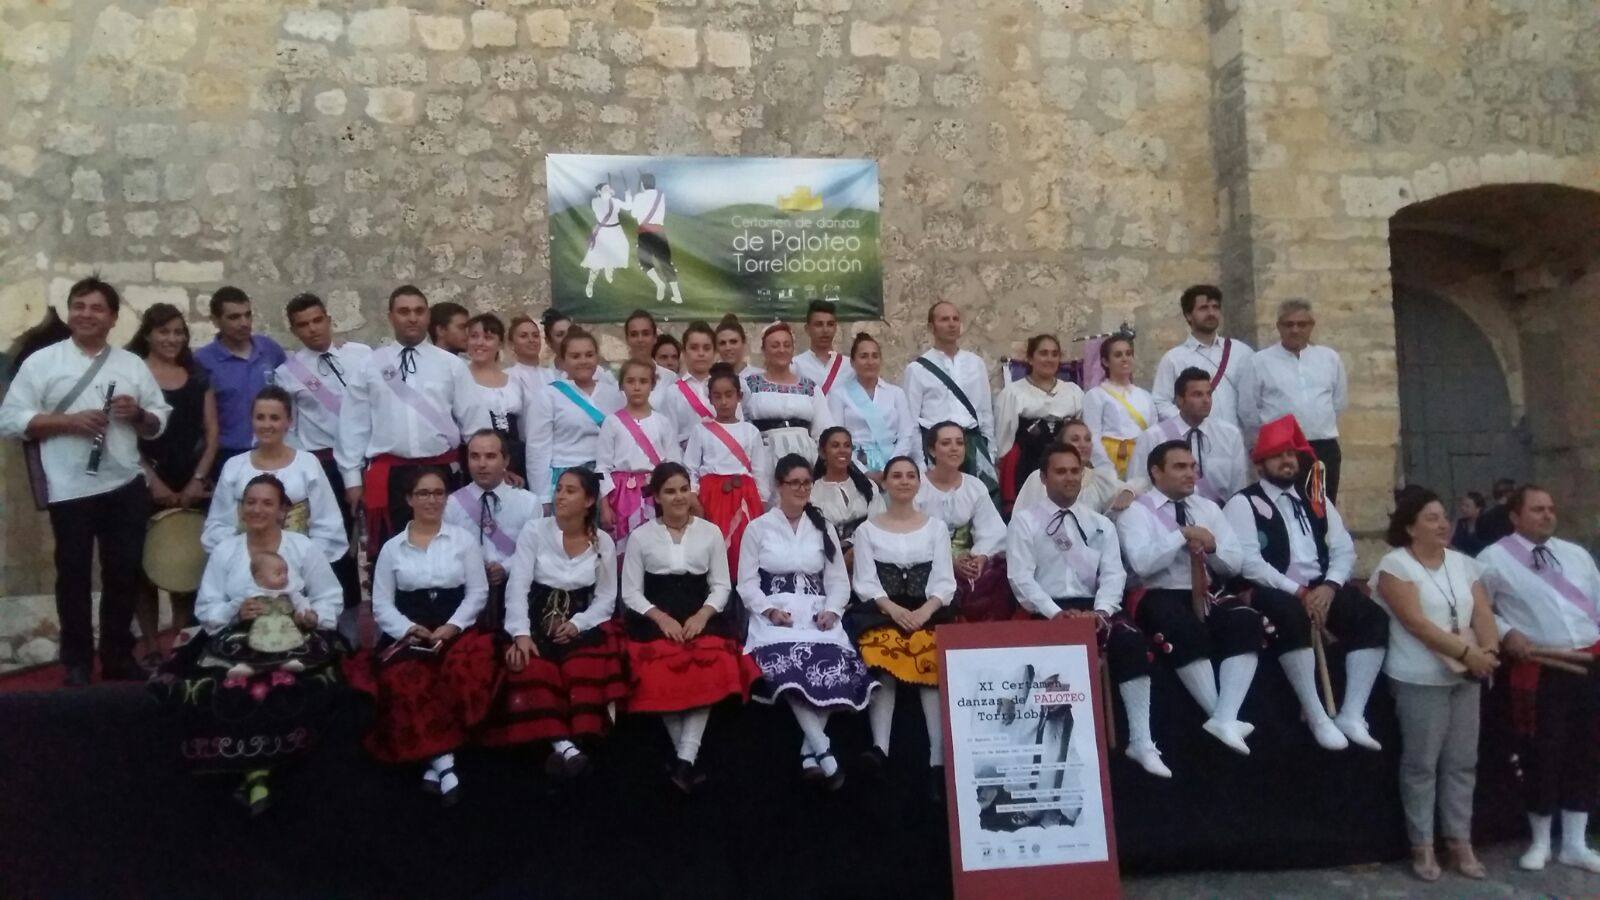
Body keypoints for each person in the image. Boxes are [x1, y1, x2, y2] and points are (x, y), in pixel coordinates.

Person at [0, 277, 170, 685]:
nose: (86, 314)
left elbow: (158, 419)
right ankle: (76, 661)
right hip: (70, 486)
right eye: (79, 306)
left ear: (113, 318)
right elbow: (10, 419)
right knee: (73, 574)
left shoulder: (131, 365)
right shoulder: (42, 362)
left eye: (96, 308)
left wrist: (138, 415)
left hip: (124, 483)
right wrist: (68, 422)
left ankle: (117, 655)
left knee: (123, 572)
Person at [148, 474, 343, 815]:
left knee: (297, 683)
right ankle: (254, 772)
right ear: (240, 509)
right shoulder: (226, 551)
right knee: (217, 685)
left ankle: (269, 770)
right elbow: (207, 606)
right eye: (250, 502)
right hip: (237, 637)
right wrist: (234, 612)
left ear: (282, 511)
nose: (257, 509)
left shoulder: (302, 547)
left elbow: (329, 595)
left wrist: (311, 617)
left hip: (294, 636)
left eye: (267, 503)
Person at [1222, 415, 1389, 751]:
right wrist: (1298, 591)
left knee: (1372, 618)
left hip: (1320, 587)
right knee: (1291, 616)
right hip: (1274, 588)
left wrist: (1329, 587)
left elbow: (1343, 550)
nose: (1287, 461)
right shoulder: (1243, 503)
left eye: (1290, 454)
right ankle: (1316, 714)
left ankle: (1352, 712)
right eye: (1277, 455)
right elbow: (1250, 563)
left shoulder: (1315, 499)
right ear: (1260, 464)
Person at [1007, 444, 1169, 778]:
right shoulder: (1024, 522)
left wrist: (1102, 612)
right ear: (1043, 477)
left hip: (1094, 609)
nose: (1069, 477)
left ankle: (1141, 740)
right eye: (1060, 471)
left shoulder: (1100, 524)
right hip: (1046, 610)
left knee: (1130, 641)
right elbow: (1021, 578)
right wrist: (1055, 613)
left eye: (1074, 471)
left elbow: (1113, 575)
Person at [348, 469, 498, 805]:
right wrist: (407, 629)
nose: (432, 500)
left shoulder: (463, 541)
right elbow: (381, 604)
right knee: (405, 676)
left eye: (438, 493)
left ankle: (435, 762)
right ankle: (445, 763)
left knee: (459, 672)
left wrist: (453, 626)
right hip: (410, 632)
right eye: (423, 493)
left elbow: (477, 593)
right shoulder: (391, 548)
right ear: (409, 499)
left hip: (456, 629)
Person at [1371, 488, 1498, 882]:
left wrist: (1489, 651)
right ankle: (1422, 843)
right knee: (1422, 764)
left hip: (1467, 674)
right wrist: (1468, 654)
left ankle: (1460, 840)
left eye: (1443, 517)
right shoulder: (1396, 566)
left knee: (1462, 762)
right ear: (1410, 528)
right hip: (1420, 677)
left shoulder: (1462, 563)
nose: (1443, 524)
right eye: (1431, 518)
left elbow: (1483, 613)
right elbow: (1416, 623)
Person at [1477, 486, 1600, 873]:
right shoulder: (1493, 559)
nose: (1547, 515)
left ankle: (1575, 843)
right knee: (1541, 753)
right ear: (1515, 516)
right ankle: (1541, 841)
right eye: (1537, 509)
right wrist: (1506, 632)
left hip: (1587, 662)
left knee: (1584, 751)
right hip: (1540, 668)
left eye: (1550, 508)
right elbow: (1476, 608)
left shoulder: (1576, 554)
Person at [739, 454, 876, 789]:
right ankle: (823, 749)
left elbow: (837, 579)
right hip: (775, 612)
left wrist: (833, 610)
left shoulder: (821, 526)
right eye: (794, 483)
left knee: (832, 663)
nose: (801, 489)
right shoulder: (758, 528)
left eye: (806, 483)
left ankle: (809, 751)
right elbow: (746, 583)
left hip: (816, 610)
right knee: (787, 666)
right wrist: (768, 611)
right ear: (779, 486)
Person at [622, 463, 760, 793]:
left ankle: (683, 760)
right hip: (655, 618)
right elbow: (631, 592)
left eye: (684, 489)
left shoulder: (710, 532)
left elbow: (721, 585)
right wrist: (661, 618)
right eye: (670, 491)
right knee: (658, 672)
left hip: (701, 614)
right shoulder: (641, 536)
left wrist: (702, 616)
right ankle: (687, 760)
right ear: (657, 497)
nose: (679, 497)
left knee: (711, 667)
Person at [485, 468, 627, 777]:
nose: (560, 496)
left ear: (589, 501)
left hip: (580, 621)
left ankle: (571, 743)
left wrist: (579, 623)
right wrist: (520, 634)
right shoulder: (535, 530)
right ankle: (564, 747)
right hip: (534, 618)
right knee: (530, 666)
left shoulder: (602, 541)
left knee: (582, 668)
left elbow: (606, 598)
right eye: (559, 489)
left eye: (570, 491)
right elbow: (518, 587)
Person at [1116, 441, 1256, 754]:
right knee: (1183, 627)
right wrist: (1181, 535)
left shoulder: (1208, 508)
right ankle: (1221, 718)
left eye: (1193, 467)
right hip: (1157, 592)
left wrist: (1213, 548)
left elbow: (1234, 563)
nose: (1191, 474)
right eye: (1180, 467)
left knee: (1246, 621)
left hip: (1206, 590)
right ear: (1156, 472)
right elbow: (1142, 563)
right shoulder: (1136, 512)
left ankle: (1224, 717)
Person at [847, 456, 956, 798]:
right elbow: (865, 582)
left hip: (928, 609)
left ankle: (937, 760)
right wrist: (895, 611)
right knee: (884, 655)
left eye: (911, 475)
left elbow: (945, 580)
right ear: (886, 483)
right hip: (883, 610)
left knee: (931, 660)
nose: (905, 481)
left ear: (919, 482)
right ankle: (880, 747)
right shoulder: (867, 530)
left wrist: (924, 612)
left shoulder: (936, 528)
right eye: (897, 476)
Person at [337, 285, 472, 559]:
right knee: (393, 553)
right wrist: (352, 480)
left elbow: (473, 421)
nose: (412, 318)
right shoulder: (370, 365)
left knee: (446, 550)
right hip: (391, 477)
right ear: (391, 317)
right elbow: (353, 426)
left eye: (419, 311)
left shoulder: (452, 365)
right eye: (404, 311)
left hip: (443, 471)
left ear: (428, 316)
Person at [128, 303, 218, 661]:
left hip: (190, 481)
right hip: (144, 481)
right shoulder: (134, 374)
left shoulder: (197, 376)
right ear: (148, 334)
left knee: (186, 566)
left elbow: (212, 434)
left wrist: (198, 479)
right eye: (164, 331)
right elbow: (126, 438)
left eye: (179, 332)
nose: (172, 339)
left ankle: (178, 647)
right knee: (142, 570)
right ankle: (151, 646)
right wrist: (152, 481)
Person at [277, 293, 370, 621]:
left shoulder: (361, 355)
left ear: (329, 320)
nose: (313, 329)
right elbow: (290, 428)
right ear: (294, 330)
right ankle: (342, 619)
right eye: (303, 325)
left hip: (369, 458)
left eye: (318, 320)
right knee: (336, 541)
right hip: (325, 464)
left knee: (377, 540)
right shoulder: (288, 372)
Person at [203, 387, 347, 571]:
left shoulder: (307, 464)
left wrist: (302, 561)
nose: (266, 425)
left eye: (274, 418)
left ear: (289, 421)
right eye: (260, 417)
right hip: (245, 566)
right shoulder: (234, 466)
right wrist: (245, 558)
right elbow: (218, 524)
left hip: (299, 567)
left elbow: (327, 524)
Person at [1238, 299, 1348, 499]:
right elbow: (1248, 409)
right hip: (1281, 449)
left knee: (1322, 504)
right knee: (1284, 502)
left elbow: (1338, 402)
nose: (1295, 330)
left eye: (1301, 324)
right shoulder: (1260, 362)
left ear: (1311, 326)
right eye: (1289, 324)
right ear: (1279, 326)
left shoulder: (1329, 358)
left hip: (1323, 446)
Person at [443, 430, 541, 633]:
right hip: (464, 593)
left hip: (515, 591)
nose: (482, 464)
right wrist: (475, 570)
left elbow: (535, 552)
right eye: (474, 456)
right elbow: (446, 551)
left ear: (506, 460)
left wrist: (505, 568)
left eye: (490, 456)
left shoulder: (529, 502)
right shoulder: (452, 504)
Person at [903, 301, 997, 498]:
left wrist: (990, 453)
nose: (952, 324)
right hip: (935, 449)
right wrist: (920, 463)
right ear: (931, 327)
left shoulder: (976, 364)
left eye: (955, 319)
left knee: (977, 502)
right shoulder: (917, 369)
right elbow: (910, 420)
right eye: (944, 319)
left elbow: (985, 412)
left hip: (971, 446)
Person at [526, 328, 626, 513]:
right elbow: (537, 449)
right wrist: (543, 497)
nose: (583, 361)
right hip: (566, 480)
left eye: (589, 355)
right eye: (575, 356)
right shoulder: (548, 395)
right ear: (563, 360)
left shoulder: (613, 394)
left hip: (606, 481)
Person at [685, 364, 771, 578]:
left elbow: (760, 470)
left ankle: (742, 587)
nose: (724, 401)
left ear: (739, 396)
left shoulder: (750, 431)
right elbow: (691, 466)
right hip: (711, 496)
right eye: (717, 396)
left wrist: (761, 500)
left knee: (744, 546)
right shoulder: (701, 430)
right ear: (710, 399)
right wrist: (694, 495)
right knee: (714, 544)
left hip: (745, 496)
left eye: (729, 395)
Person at [193, 286, 286, 482]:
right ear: (215, 320)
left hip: (273, 450)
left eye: (247, 315)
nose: (244, 323)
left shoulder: (269, 349)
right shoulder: (202, 361)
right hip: (228, 455)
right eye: (234, 317)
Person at [917, 423, 1007, 621]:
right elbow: (911, 534)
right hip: (927, 563)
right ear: (932, 450)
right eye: (946, 443)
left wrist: (980, 558)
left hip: (967, 560)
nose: (954, 448)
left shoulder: (974, 486)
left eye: (959, 443)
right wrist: (949, 562)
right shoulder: (918, 487)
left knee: (998, 576)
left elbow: (992, 530)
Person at [1125, 368, 1250, 505]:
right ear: (1179, 400)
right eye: (1197, 395)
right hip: (1170, 514)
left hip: (1220, 514)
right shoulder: (1153, 437)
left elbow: (1238, 488)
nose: (1206, 400)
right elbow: (1138, 484)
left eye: (1209, 394)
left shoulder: (1230, 435)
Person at [596, 359, 680, 556]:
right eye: (630, 381)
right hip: (621, 495)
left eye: (643, 381)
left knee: (655, 545)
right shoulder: (612, 422)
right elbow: (602, 467)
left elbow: (674, 463)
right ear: (621, 385)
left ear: (652, 385)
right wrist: (605, 505)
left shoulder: (663, 422)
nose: (636, 387)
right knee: (624, 548)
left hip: (655, 493)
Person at [995, 334, 1084, 513]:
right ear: (1030, 358)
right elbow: (1003, 438)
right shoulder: (1013, 393)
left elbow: (1082, 433)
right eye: (1043, 353)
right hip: (1026, 465)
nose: (1049, 359)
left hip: (1066, 466)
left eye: (1054, 354)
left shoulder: (1073, 392)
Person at [1152, 285, 1255, 433]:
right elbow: (1160, 402)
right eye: (1204, 308)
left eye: (1215, 307)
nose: (1211, 313)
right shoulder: (1173, 358)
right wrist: (1188, 423)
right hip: (1192, 439)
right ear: (1188, 315)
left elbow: (1252, 401)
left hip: (1233, 439)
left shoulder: (1242, 352)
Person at [742, 321, 834, 465]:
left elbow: (823, 429)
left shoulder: (809, 387)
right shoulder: (749, 385)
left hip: (806, 458)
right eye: (775, 345)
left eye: (787, 345)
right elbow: (741, 425)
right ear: (764, 350)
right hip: (764, 458)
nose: (782, 350)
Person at [830, 331, 917, 480]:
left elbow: (906, 435)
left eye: (875, 356)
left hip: (893, 470)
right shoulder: (839, 395)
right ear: (852, 362)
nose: (870, 362)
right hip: (854, 468)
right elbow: (836, 437)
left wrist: (890, 469)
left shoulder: (896, 393)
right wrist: (863, 472)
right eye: (864, 356)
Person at [1012, 419, 1136, 516]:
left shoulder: (1098, 479)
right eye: (1075, 439)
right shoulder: (1039, 477)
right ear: (1062, 444)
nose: (1083, 444)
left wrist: (1128, 491)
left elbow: (1134, 485)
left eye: (1087, 439)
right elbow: (1021, 517)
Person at [458, 313, 526, 484]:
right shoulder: (460, 378)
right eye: (474, 336)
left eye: (488, 338)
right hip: (477, 460)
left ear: (500, 343)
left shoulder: (514, 381)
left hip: (515, 460)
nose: (480, 342)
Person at [1082, 332, 1155, 481]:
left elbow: (1154, 432)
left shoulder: (1145, 396)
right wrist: (1105, 468)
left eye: (1128, 353)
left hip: (1142, 460)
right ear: (1105, 361)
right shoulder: (1096, 395)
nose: (1124, 358)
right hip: (1110, 461)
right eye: (1118, 355)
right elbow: (1092, 435)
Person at [812, 426, 883, 561]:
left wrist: (854, 551)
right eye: (835, 446)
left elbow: (879, 523)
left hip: (867, 554)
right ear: (822, 452)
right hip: (828, 558)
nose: (842, 450)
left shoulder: (867, 486)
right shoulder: (812, 492)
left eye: (847, 446)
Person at [659, 321, 726, 450]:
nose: (701, 353)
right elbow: (669, 439)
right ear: (684, 352)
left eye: (706, 348)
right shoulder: (673, 393)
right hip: (685, 457)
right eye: (694, 348)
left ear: (715, 352)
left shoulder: (727, 389)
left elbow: (738, 429)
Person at [625, 171, 684, 304]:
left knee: (644, 262)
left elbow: (634, 214)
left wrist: (631, 198)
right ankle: (677, 295)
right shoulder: (660, 195)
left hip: (645, 233)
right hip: (659, 233)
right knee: (665, 262)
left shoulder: (639, 197)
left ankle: (659, 283)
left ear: (642, 184)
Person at [792, 299, 851, 395]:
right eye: (819, 325)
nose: (825, 330)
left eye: (830, 324)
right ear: (807, 329)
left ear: (835, 328)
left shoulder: (849, 367)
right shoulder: (796, 365)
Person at [582, 181, 628, 299]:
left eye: (609, 188)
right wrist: (609, 197)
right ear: (599, 192)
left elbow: (629, 207)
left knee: (617, 251)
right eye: (605, 189)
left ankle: (609, 270)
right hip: (603, 232)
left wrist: (628, 195)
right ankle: (590, 284)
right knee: (597, 260)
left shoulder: (615, 201)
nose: (608, 190)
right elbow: (601, 210)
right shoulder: (596, 201)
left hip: (616, 231)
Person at [622, 309, 679, 387]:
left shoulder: (670, 379)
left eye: (645, 334)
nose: (640, 339)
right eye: (634, 334)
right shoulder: (614, 379)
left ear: (655, 338)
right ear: (627, 339)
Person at [506, 315, 554, 399]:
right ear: (511, 344)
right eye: (523, 336)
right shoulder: (507, 378)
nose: (531, 340)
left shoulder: (552, 375)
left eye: (535, 335)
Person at [714, 314, 762, 379]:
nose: (728, 348)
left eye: (733, 342)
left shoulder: (760, 377)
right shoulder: (708, 379)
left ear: (743, 342)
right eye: (722, 343)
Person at [1474, 478, 1518, 548]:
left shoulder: (1483, 517)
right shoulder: (1515, 516)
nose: (1518, 495)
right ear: (1506, 494)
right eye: (1515, 492)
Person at [1451, 491, 1488, 556]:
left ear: (1478, 509)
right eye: (1462, 505)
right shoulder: (1460, 523)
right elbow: (1449, 543)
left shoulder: (1487, 525)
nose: (1462, 508)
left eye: (1467, 506)